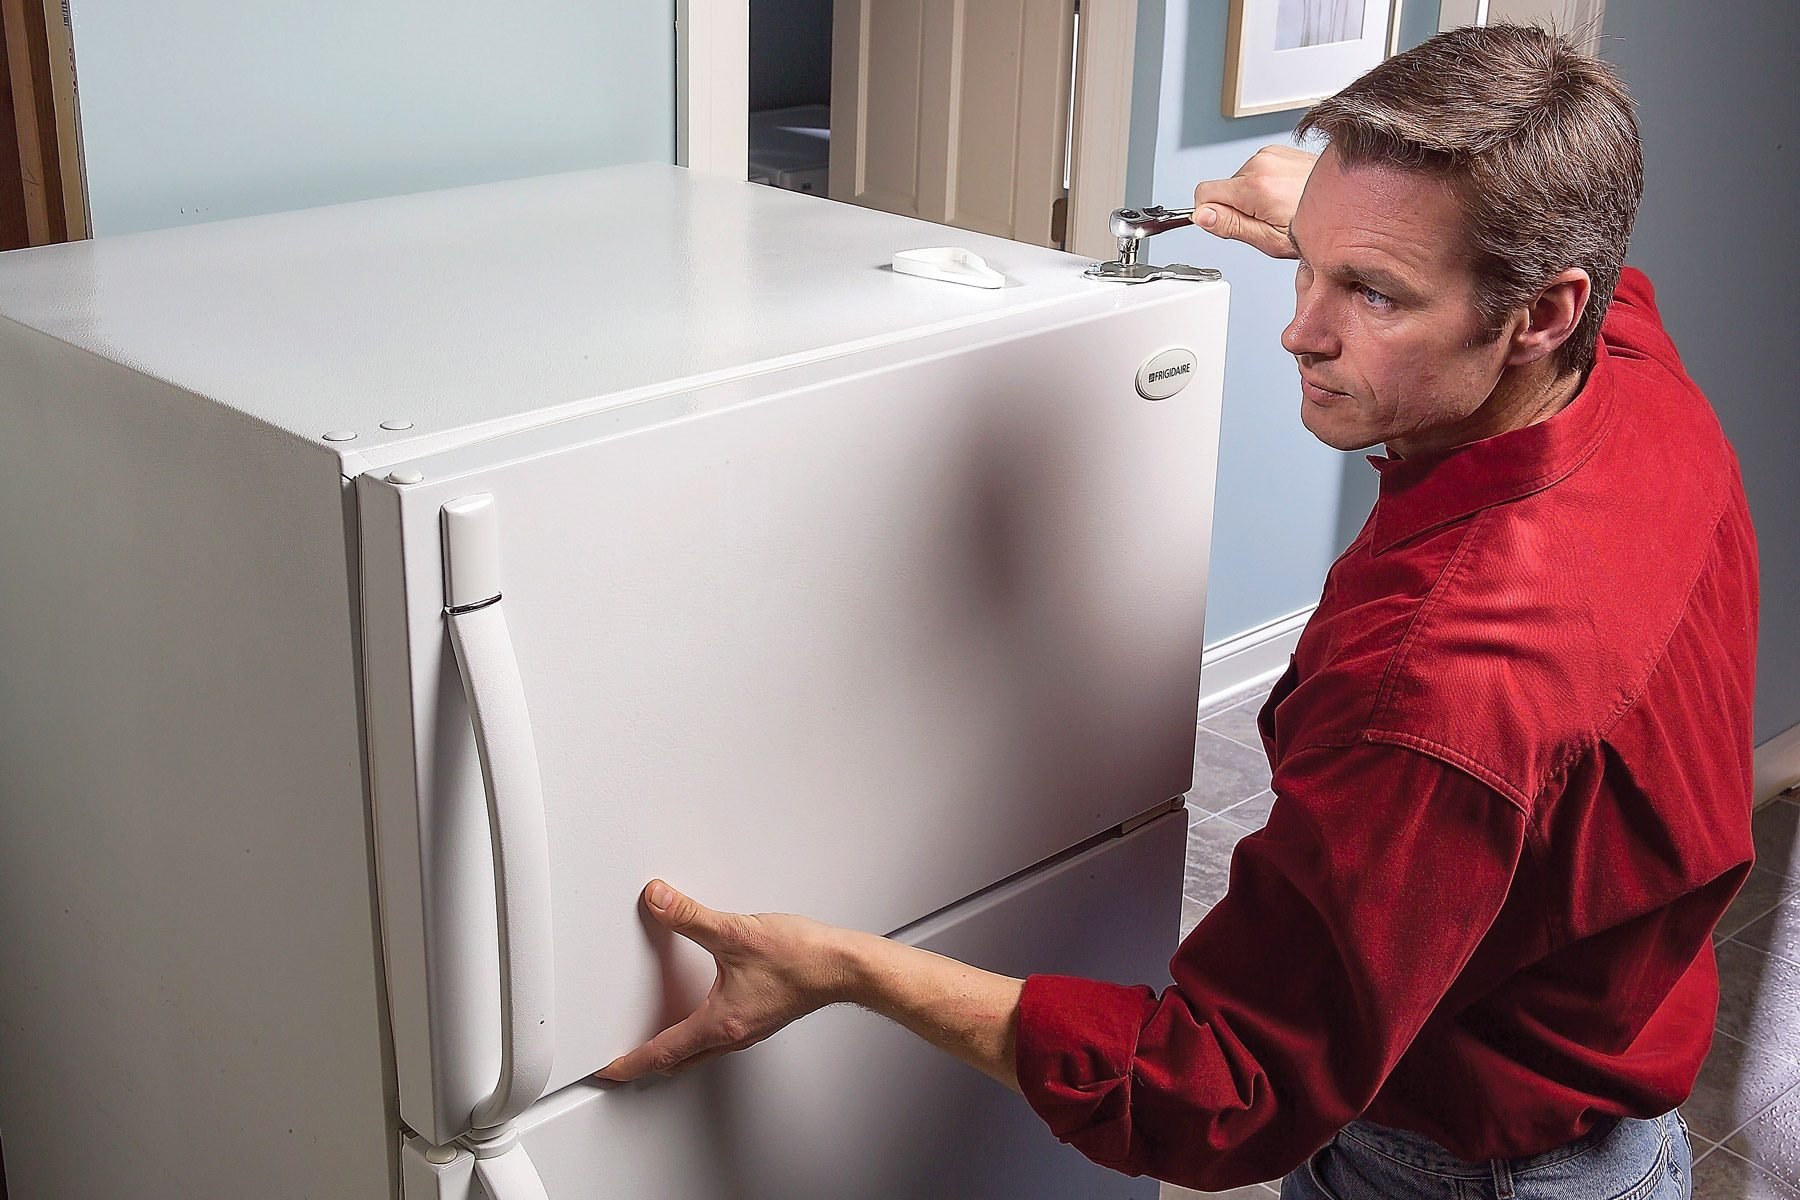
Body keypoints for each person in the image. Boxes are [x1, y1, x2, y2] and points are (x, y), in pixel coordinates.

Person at [599, 25, 1757, 1199]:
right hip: (1611, 1102)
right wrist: (1346, 225)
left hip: (1455, 1170)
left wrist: (850, 967)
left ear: (1543, 314)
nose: (1300, 329)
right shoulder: (1632, 371)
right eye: (1309, 265)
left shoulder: (1441, 687)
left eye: (1372, 293)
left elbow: (1218, 1095)